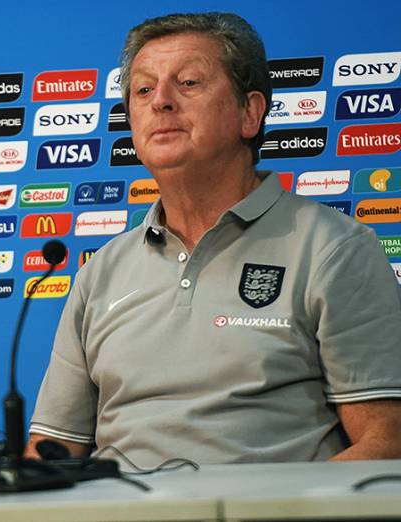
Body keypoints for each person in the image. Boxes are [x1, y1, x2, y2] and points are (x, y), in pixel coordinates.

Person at [28, 12, 401, 466]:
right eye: (143, 89)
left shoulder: (334, 248)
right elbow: (52, 452)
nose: (160, 101)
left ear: (250, 112)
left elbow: (387, 444)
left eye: (187, 83)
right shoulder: (100, 272)